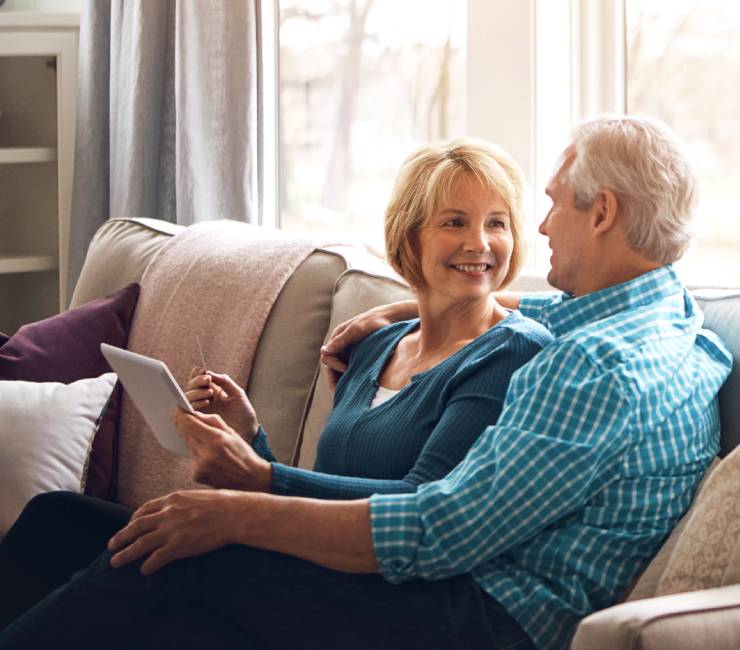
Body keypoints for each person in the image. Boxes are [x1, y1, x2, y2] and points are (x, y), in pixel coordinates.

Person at [0, 115, 732, 650]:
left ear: (602, 212)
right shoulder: (675, 321)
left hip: (481, 618)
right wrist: (404, 307)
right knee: (65, 519)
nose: (541, 229)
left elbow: (440, 529)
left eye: (548, 205)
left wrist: (237, 508)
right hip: (455, 590)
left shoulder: (589, 367)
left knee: (188, 554)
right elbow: (542, 311)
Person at [0, 138, 551, 633]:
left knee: (178, 554)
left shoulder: (508, 353)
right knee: (59, 516)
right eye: (455, 222)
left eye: (497, 223)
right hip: (317, 559)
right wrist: (250, 439)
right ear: (409, 236)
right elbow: (335, 485)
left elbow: (421, 504)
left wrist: (259, 476)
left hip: (399, 589)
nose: (480, 242)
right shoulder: (379, 344)